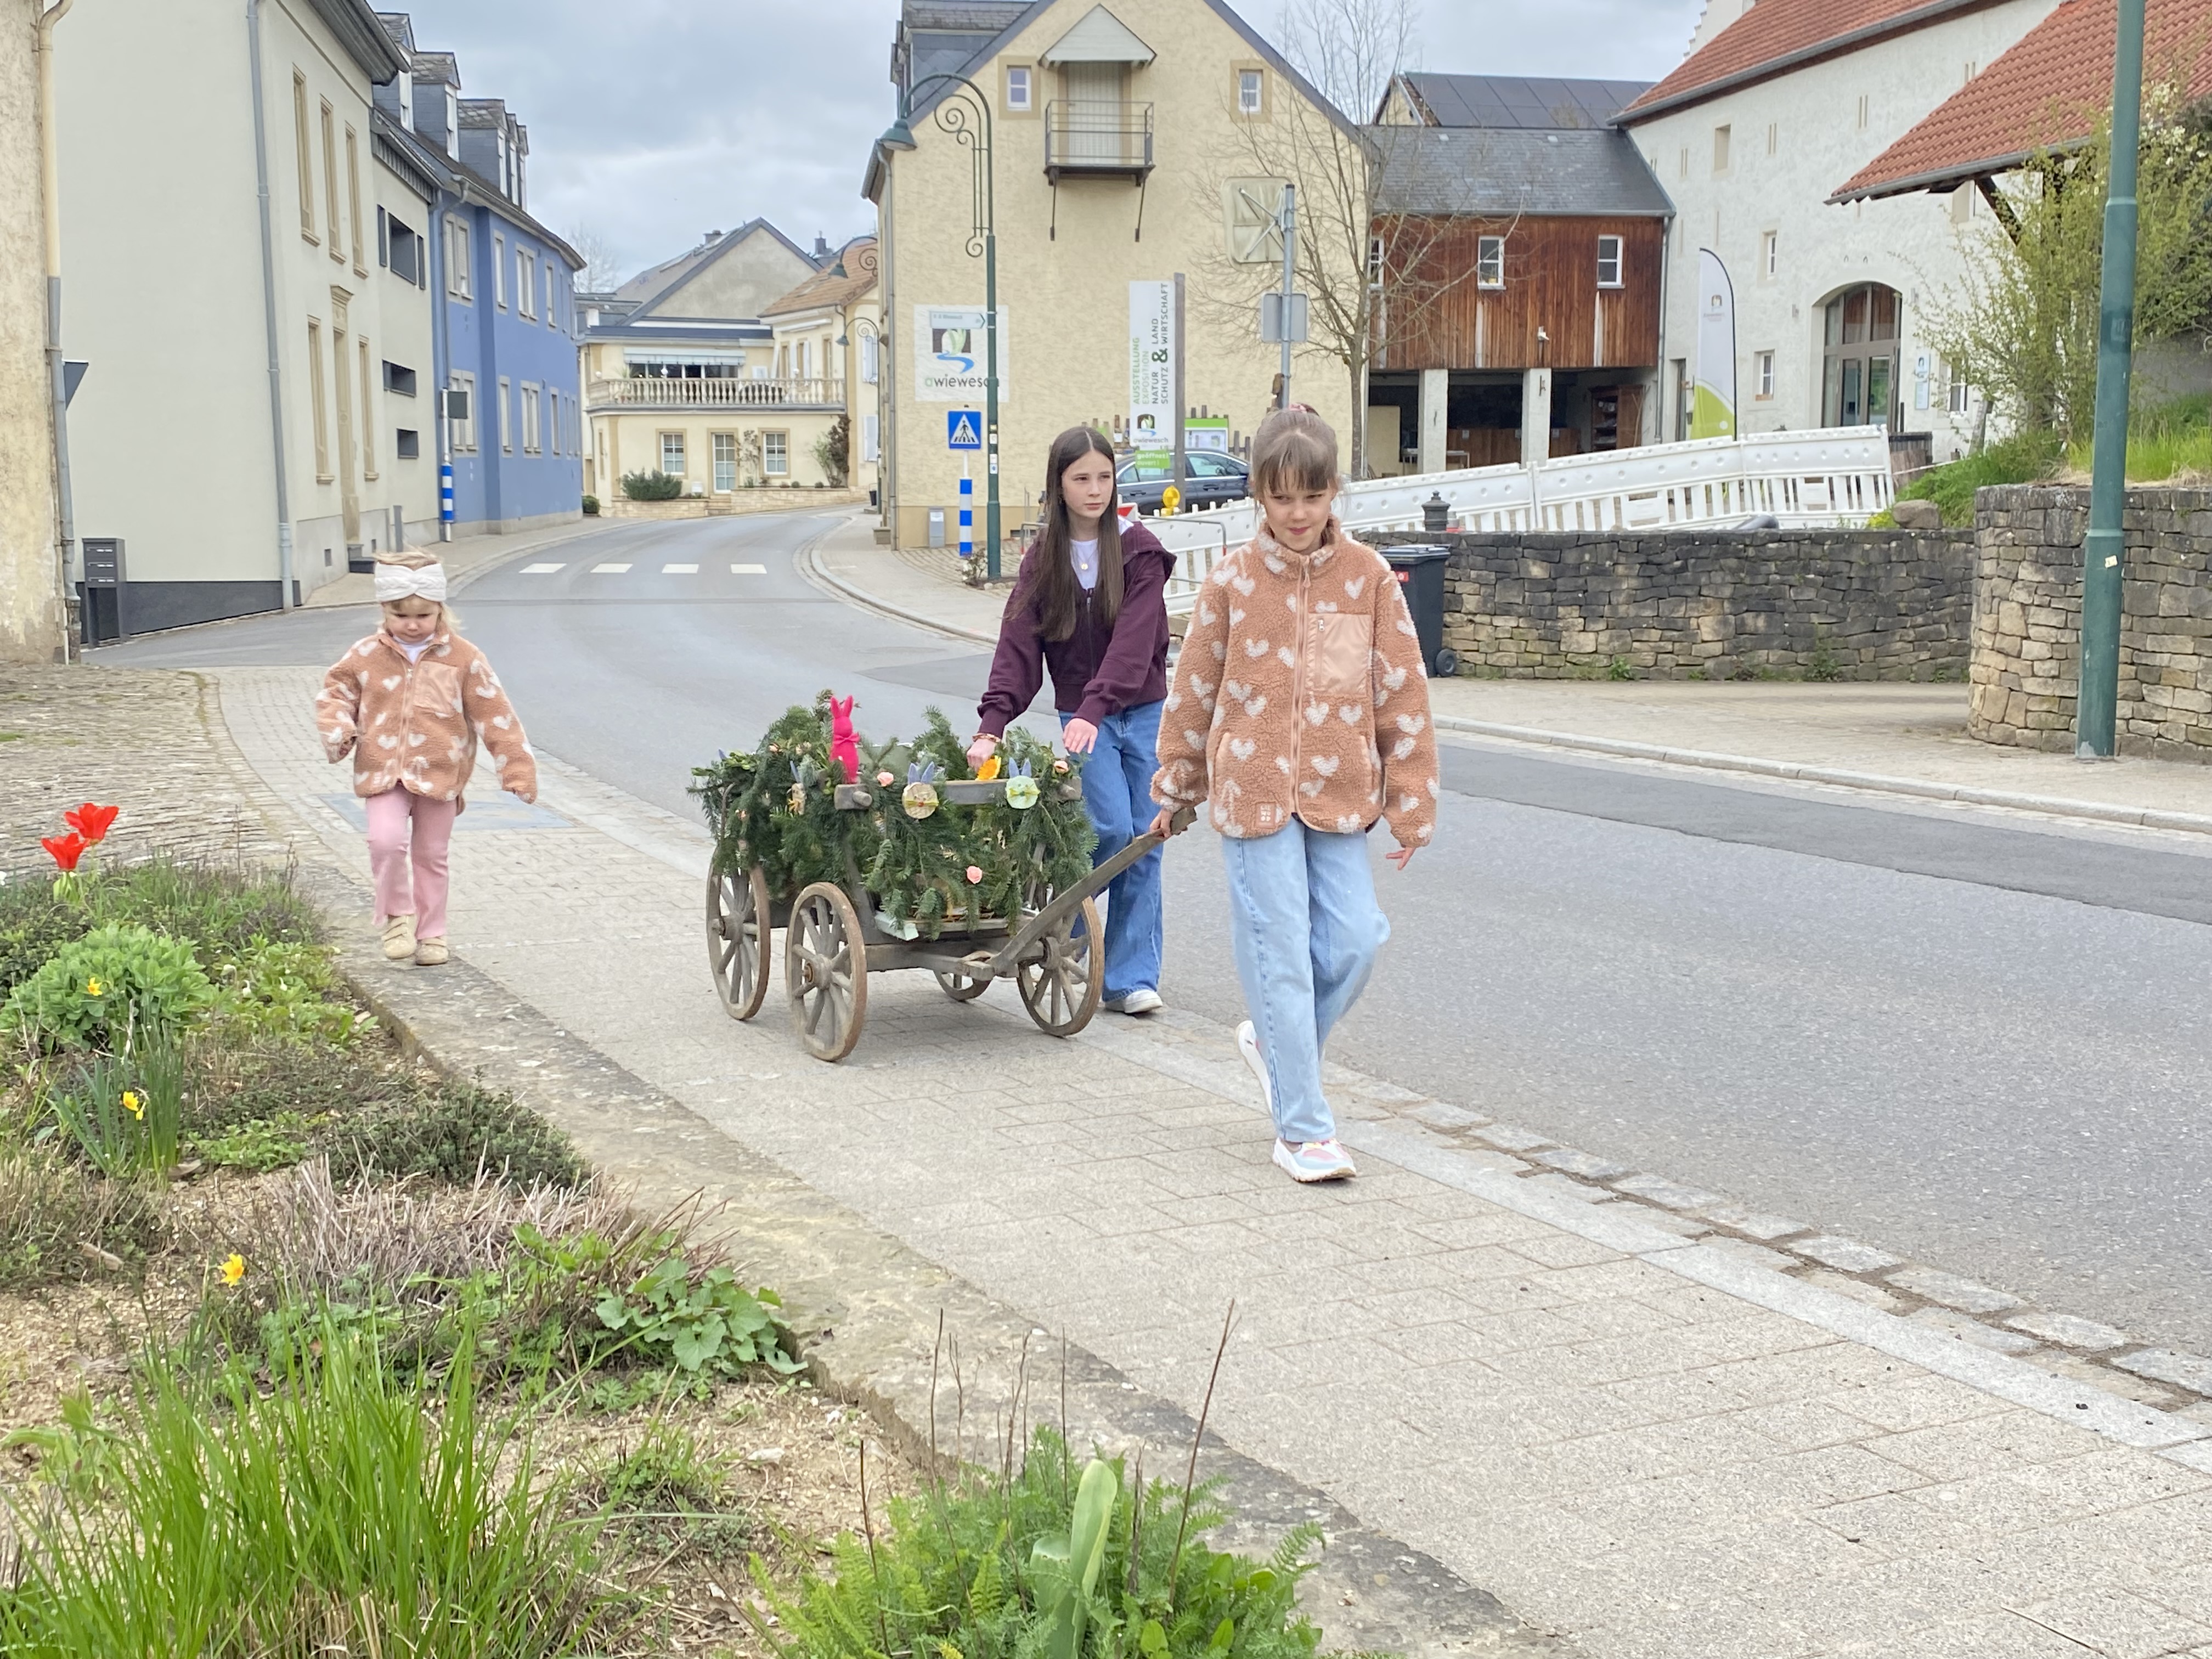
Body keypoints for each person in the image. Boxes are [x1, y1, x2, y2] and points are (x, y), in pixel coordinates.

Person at [1150, 409, 1438, 1182]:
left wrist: (1411, 802)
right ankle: (1304, 1130)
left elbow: (1401, 693)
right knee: (1280, 951)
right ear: (1258, 498)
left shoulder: (1370, 579)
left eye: (1311, 498)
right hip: (1251, 795)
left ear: (1334, 492)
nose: (1298, 514)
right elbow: (1195, 688)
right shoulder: (1231, 583)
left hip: (1341, 793)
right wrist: (1179, 781)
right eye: (1281, 500)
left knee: (1355, 941)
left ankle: (1273, 1047)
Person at [970, 425, 1176, 1014]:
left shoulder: (1140, 551)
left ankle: (1129, 979)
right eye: (1081, 479)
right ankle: (1067, 935)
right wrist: (993, 724)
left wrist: (1096, 704)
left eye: (1104, 478)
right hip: (1082, 718)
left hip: (1140, 711)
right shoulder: (1043, 561)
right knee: (1109, 831)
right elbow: (1017, 648)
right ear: (1059, 487)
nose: (1095, 490)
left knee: (1147, 839)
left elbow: (1136, 644)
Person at [314, 551, 538, 967]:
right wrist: (340, 731)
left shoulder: (464, 658)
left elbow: (496, 715)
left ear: (440, 611)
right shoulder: (365, 655)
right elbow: (334, 695)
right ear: (384, 610)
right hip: (381, 770)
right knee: (384, 841)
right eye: (401, 616)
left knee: (431, 856)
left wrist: (517, 768)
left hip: (441, 776)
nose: (412, 624)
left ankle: (433, 933)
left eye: (424, 615)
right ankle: (397, 915)